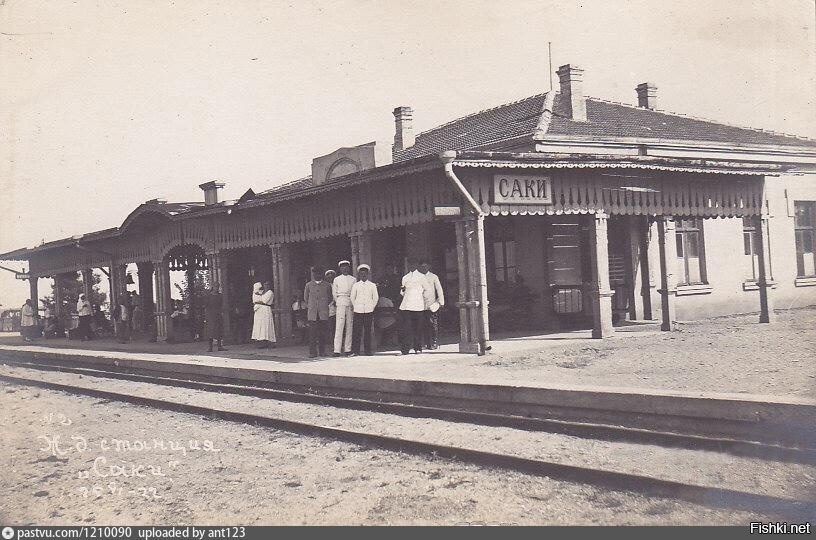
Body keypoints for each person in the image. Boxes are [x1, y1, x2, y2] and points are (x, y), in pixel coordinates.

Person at [399, 259, 427, 354]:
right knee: (407, 328)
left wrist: (425, 302)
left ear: (416, 265)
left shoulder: (422, 277)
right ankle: (405, 349)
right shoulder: (405, 277)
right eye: (409, 264)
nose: (411, 266)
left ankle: (418, 348)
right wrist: (403, 290)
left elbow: (427, 290)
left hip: (418, 305)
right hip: (406, 306)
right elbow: (402, 293)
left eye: (413, 264)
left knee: (418, 328)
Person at [350, 264, 378, 356]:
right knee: (357, 331)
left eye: (365, 274)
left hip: (369, 311)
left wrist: (371, 307)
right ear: (359, 275)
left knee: (367, 331)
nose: (363, 275)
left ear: (368, 274)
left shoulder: (372, 285)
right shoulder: (356, 285)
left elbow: (375, 298)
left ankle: (368, 351)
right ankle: (355, 351)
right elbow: (352, 298)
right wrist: (356, 306)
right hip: (358, 311)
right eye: (361, 274)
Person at [303, 266, 332, 358]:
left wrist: (323, 305)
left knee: (322, 333)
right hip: (312, 313)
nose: (317, 275)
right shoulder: (308, 285)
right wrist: (312, 306)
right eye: (315, 273)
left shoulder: (327, 285)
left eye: (319, 273)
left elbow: (330, 298)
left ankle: (322, 351)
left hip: (323, 312)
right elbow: (306, 298)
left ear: (322, 274)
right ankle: (312, 352)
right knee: (312, 333)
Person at [419, 260, 445, 349]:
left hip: (432, 304)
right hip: (421, 305)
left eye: (425, 266)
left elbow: (439, 289)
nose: (424, 268)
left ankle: (434, 342)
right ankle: (427, 343)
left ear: (428, 267)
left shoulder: (433, 277)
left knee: (432, 324)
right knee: (423, 324)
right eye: (422, 266)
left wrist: (441, 301)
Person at [331, 260, 355, 357]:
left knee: (349, 326)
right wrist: (338, 301)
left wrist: (352, 302)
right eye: (342, 267)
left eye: (346, 267)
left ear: (349, 268)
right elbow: (334, 293)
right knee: (339, 326)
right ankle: (337, 350)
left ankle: (347, 349)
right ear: (340, 268)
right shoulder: (336, 279)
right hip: (340, 301)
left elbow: (354, 292)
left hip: (350, 301)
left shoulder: (353, 279)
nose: (344, 268)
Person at [251, 282, 276, 349]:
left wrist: (258, 300)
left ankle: (269, 341)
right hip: (259, 311)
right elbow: (254, 300)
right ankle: (261, 341)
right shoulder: (260, 292)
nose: (266, 286)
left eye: (267, 285)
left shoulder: (270, 292)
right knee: (259, 326)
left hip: (265, 310)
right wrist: (258, 299)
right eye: (264, 285)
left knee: (266, 325)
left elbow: (264, 300)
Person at [204, 282, 227, 352]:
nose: (216, 288)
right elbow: (206, 306)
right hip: (210, 315)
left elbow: (221, 304)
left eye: (218, 286)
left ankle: (219, 346)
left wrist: (222, 312)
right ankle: (210, 347)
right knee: (211, 330)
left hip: (218, 314)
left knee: (219, 330)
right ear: (213, 287)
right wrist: (207, 316)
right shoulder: (209, 296)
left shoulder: (220, 296)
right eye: (215, 286)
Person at [324, 269, 337, 345]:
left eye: (332, 277)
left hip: (337, 307)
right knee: (330, 327)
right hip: (328, 308)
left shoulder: (337, 285)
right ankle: (331, 344)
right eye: (328, 277)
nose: (330, 278)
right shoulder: (325, 286)